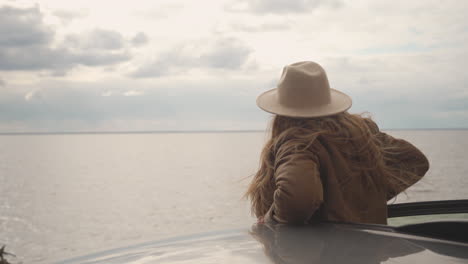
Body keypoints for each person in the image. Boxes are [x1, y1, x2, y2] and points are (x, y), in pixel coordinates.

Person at [245, 61, 429, 225]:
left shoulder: (296, 143)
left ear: (281, 111)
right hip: (370, 252)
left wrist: (270, 220)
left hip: (321, 255)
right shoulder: (360, 134)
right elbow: (414, 161)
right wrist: (364, 199)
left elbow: (299, 198)